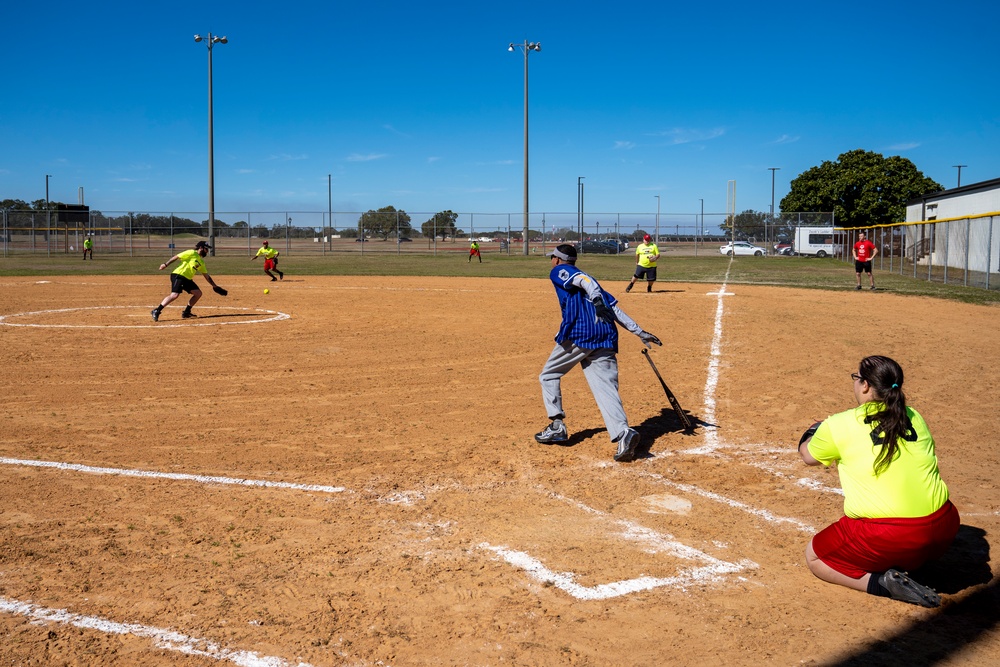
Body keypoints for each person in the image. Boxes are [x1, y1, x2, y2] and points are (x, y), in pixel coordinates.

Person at [798, 355, 960, 607]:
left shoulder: (839, 424)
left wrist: (811, 432)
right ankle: (905, 561)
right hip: (944, 528)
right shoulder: (914, 416)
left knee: (816, 558)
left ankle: (883, 584)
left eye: (857, 378)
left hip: (889, 535)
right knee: (908, 539)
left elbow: (808, 456)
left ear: (865, 386)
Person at [536, 244, 663, 462]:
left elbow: (585, 281)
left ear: (558, 259)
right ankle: (624, 433)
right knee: (605, 389)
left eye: (553, 258)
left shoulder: (561, 271)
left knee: (548, 375)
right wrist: (639, 331)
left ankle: (557, 425)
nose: (552, 261)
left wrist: (594, 298)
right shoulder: (595, 285)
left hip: (581, 334)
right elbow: (614, 310)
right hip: (605, 336)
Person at [151, 241, 226, 322]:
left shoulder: (201, 262)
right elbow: (176, 257)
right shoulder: (191, 252)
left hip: (187, 279)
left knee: (198, 293)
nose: (207, 251)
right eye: (206, 249)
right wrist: (165, 264)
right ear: (201, 248)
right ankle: (157, 310)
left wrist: (214, 286)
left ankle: (186, 312)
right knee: (174, 295)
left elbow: (206, 276)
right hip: (178, 275)